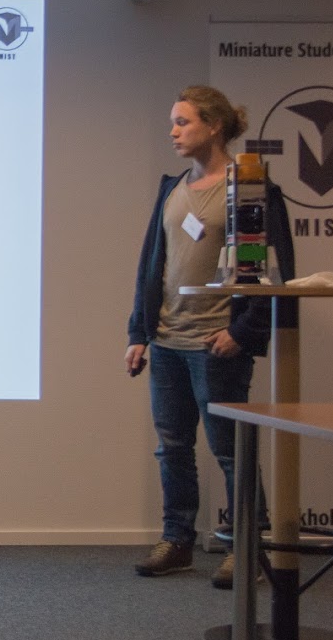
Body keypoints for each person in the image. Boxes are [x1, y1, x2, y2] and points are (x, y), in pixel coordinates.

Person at [125, 85, 294, 588]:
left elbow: (275, 270)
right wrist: (139, 332)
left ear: (214, 125)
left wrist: (243, 332)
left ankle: (248, 548)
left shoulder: (251, 188)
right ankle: (177, 540)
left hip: (216, 344)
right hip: (167, 341)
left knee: (230, 451)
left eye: (183, 122)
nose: (173, 132)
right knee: (172, 447)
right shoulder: (172, 188)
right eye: (173, 123)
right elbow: (151, 265)